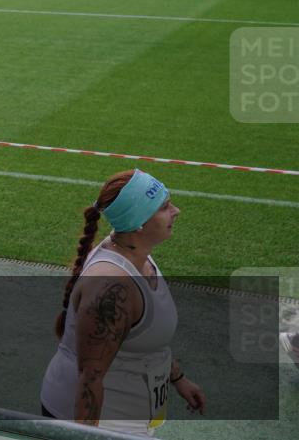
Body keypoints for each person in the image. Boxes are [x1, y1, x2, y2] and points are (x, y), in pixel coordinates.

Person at [40, 169, 206, 436]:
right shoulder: (112, 286)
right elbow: (89, 380)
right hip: (105, 423)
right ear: (139, 222)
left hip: (129, 416)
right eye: (164, 207)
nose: (176, 211)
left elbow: (147, 342)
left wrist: (177, 377)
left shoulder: (138, 254)